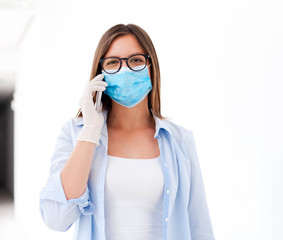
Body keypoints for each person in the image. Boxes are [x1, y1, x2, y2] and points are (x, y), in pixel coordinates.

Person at [39, 23, 215, 240]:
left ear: (151, 66)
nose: (125, 70)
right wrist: (91, 130)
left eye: (136, 60)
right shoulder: (75, 133)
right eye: (113, 62)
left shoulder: (180, 140)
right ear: (99, 73)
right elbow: (56, 219)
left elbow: (199, 225)